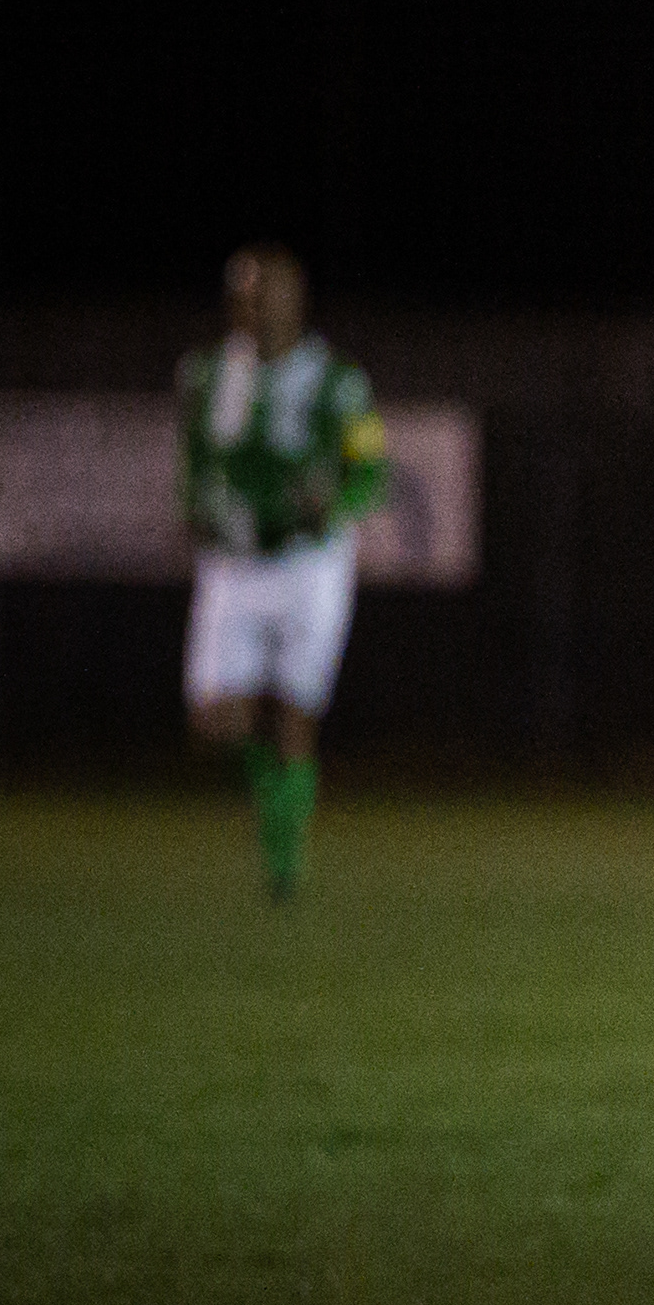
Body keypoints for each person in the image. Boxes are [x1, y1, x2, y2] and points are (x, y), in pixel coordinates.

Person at [179, 243, 387, 900]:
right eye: (244, 299)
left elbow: (371, 468)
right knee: (216, 721)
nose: (256, 311)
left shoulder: (336, 381)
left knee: (295, 716)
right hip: (234, 563)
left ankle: (284, 863)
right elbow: (194, 464)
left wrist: (338, 503)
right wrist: (194, 510)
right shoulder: (207, 374)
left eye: (266, 297)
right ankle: (274, 807)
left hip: (309, 560)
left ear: (295, 302)